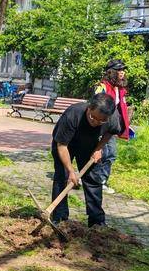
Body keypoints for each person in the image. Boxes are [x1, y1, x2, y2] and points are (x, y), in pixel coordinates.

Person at [50, 93, 121, 228]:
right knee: (62, 176)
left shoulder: (112, 117)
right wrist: (71, 171)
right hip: (66, 143)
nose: (96, 122)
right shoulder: (73, 114)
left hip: (89, 144)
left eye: (101, 121)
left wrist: (99, 148)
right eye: (93, 117)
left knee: (93, 178)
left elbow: (110, 132)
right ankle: (59, 218)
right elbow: (62, 146)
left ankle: (96, 221)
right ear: (89, 108)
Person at [93, 59, 132, 194]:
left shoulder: (120, 89)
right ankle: (97, 180)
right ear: (112, 72)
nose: (122, 72)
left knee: (110, 153)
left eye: (123, 70)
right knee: (105, 153)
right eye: (119, 70)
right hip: (101, 126)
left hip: (111, 127)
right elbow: (95, 105)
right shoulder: (102, 87)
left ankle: (99, 180)